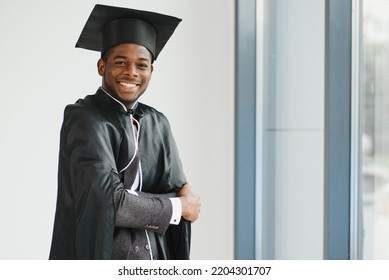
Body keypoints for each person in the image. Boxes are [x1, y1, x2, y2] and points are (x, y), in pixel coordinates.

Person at [49, 4, 201, 260]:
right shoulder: (84, 118)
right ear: (101, 67)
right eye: (121, 62)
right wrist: (175, 206)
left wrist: (147, 203)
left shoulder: (157, 123)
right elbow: (111, 203)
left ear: (151, 71)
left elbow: (181, 195)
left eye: (141, 65)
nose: (131, 72)